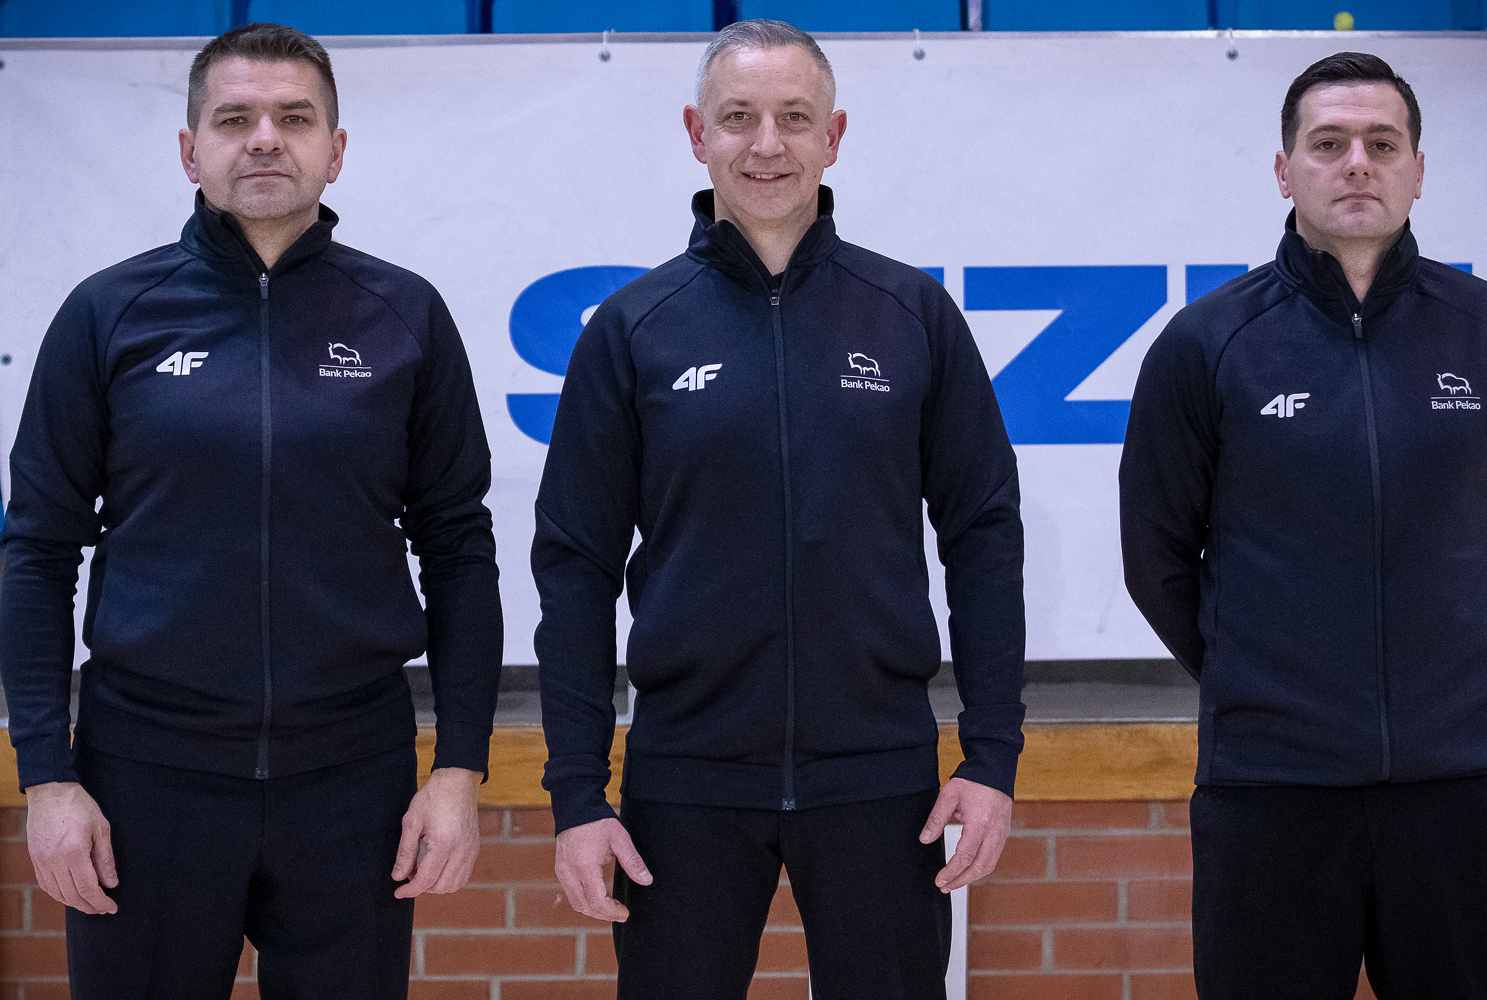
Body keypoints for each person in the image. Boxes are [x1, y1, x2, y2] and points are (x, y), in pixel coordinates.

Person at [0, 22, 503, 999]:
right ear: (190, 150)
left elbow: (457, 548)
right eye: (234, 119)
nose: (265, 138)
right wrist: (48, 778)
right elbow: (38, 551)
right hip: (145, 777)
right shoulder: (109, 313)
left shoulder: (405, 315)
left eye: (293, 118)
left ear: (334, 149)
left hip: (351, 779)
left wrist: (458, 769)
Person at [532, 19, 1025, 999]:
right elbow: (574, 567)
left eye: (794, 118)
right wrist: (577, 794)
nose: (767, 144)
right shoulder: (633, 329)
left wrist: (991, 757)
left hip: (880, 780)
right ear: (696, 132)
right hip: (684, 784)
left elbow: (982, 536)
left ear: (832, 136)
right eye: (738, 118)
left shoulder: (910, 315)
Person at [1121, 52, 1487, 1000]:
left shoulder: (1477, 329)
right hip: (1271, 792)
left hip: (1463, 788)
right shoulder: (1207, 342)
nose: (1356, 162)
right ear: (1284, 171)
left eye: (1381, 144)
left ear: (1418, 169)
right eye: (1328, 144)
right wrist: (1258, 675)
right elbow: (1155, 555)